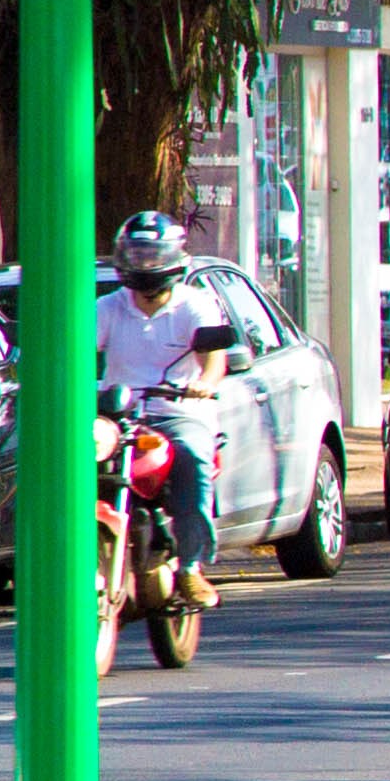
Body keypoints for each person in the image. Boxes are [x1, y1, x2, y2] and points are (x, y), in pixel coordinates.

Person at [96, 212, 239, 607]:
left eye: (152, 255)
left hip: (178, 413)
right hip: (119, 416)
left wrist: (204, 385)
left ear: (172, 258)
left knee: (192, 457)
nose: (144, 263)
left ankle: (191, 569)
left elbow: (214, 361)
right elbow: (77, 353)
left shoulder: (196, 306)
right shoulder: (108, 307)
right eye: (137, 254)